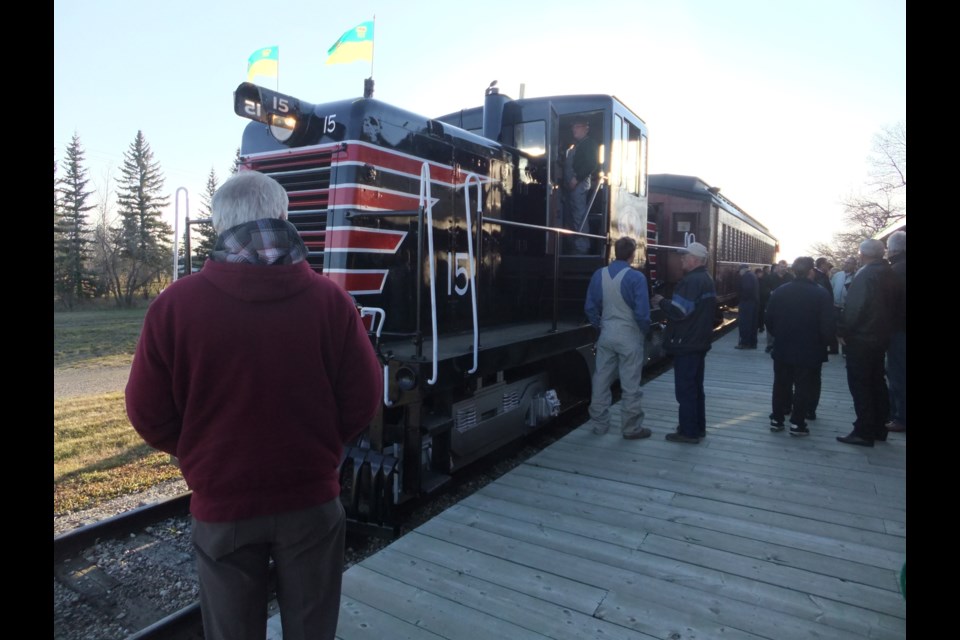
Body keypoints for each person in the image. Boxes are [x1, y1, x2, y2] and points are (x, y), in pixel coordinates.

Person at [125, 170, 383, 640]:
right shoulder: (331, 301)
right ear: (284, 219)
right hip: (311, 502)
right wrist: (326, 450)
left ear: (218, 225)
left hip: (222, 508)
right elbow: (364, 398)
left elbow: (146, 412)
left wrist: (199, 454)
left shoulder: (174, 306)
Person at [584, 236, 652, 439]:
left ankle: (599, 424)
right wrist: (644, 331)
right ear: (633, 254)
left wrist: (600, 324)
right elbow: (642, 313)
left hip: (606, 332)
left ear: (615, 252)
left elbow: (589, 307)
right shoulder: (636, 278)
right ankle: (631, 428)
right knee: (630, 383)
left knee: (601, 380)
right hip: (629, 334)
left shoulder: (599, 274)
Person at [651, 241, 717, 443]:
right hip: (698, 341)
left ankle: (688, 432)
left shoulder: (690, 282)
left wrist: (661, 301)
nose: (681, 259)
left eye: (685, 256)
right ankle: (698, 427)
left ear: (695, 260)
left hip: (686, 342)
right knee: (696, 387)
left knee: (686, 389)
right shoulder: (706, 278)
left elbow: (680, 311)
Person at [836, 238, 898, 447]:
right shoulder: (889, 272)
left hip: (862, 338)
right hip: (881, 337)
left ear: (863, 254)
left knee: (860, 384)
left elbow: (855, 307)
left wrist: (843, 330)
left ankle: (863, 431)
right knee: (877, 382)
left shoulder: (866, 274)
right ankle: (879, 428)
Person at [764, 257, 834, 436]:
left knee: (781, 383)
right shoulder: (821, 294)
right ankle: (797, 423)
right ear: (811, 271)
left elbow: (769, 320)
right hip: (810, 348)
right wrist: (825, 343)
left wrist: (779, 336)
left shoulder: (780, 291)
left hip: (783, 346)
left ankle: (777, 419)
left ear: (794, 271)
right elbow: (827, 325)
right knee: (804, 386)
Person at [562, 117, 600, 254]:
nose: (574, 129)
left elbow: (591, 164)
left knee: (579, 215)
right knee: (572, 216)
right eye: (573, 127)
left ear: (586, 128)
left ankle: (582, 247)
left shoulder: (589, 144)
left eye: (577, 126)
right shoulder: (578, 145)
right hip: (572, 185)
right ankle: (574, 244)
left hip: (579, 184)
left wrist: (576, 179)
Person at [885, 230, 906, 432]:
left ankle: (900, 417)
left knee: (898, 373)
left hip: (899, 330)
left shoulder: (895, 271)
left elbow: (887, 304)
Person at [831, 256, 857, 357]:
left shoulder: (857, 275)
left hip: (848, 307)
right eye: (845, 262)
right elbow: (831, 286)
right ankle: (834, 348)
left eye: (849, 263)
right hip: (836, 305)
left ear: (854, 265)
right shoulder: (837, 275)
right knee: (835, 327)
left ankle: (846, 350)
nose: (846, 264)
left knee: (846, 329)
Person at [814, 257, 838, 355]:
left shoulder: (823, 275)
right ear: (822, 265)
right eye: (826, 263)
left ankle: (832, 347)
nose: (828, 265)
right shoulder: (819, 276)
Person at [735, 263, 759, 349]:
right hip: (753, 303)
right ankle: (752, 343)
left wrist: (741, 298)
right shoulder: (752, 275)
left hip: (747, 303)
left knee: (745, 323)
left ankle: (745, 343)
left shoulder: (746, 277)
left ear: (743, 269)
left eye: (739, 271)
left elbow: (747, 290)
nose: (739, 273)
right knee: (752, 324)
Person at [757, 266, 771, 334]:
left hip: (761, 300)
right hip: (760, 299)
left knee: (761, 314)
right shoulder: (763, 279)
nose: (760, 274)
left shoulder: (762, 279)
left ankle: (761, 326)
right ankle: (760, 326)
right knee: (760, 314)